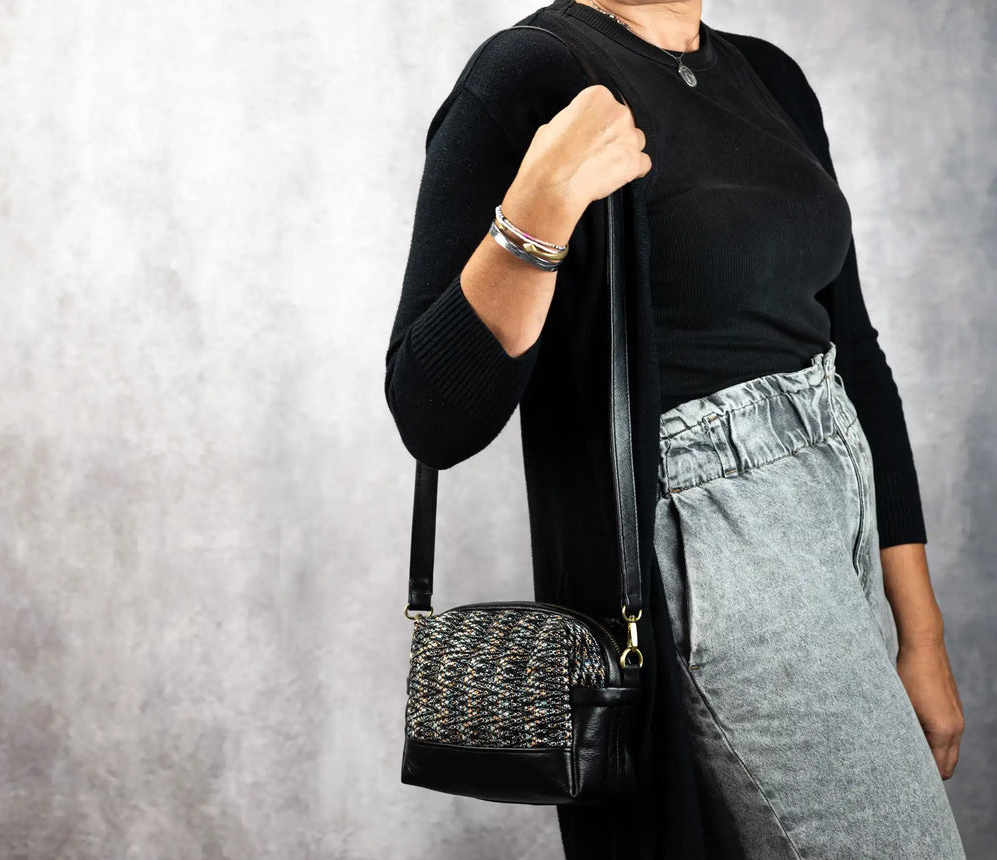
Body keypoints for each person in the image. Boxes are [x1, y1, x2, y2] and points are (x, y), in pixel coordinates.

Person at [384, 1, 968, 856]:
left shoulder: (771, 78)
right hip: (719, 548)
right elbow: (429, 413)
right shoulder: (528, 74)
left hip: (839, 526)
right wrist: (537, 213)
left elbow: (859, 357)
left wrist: (921, 635)